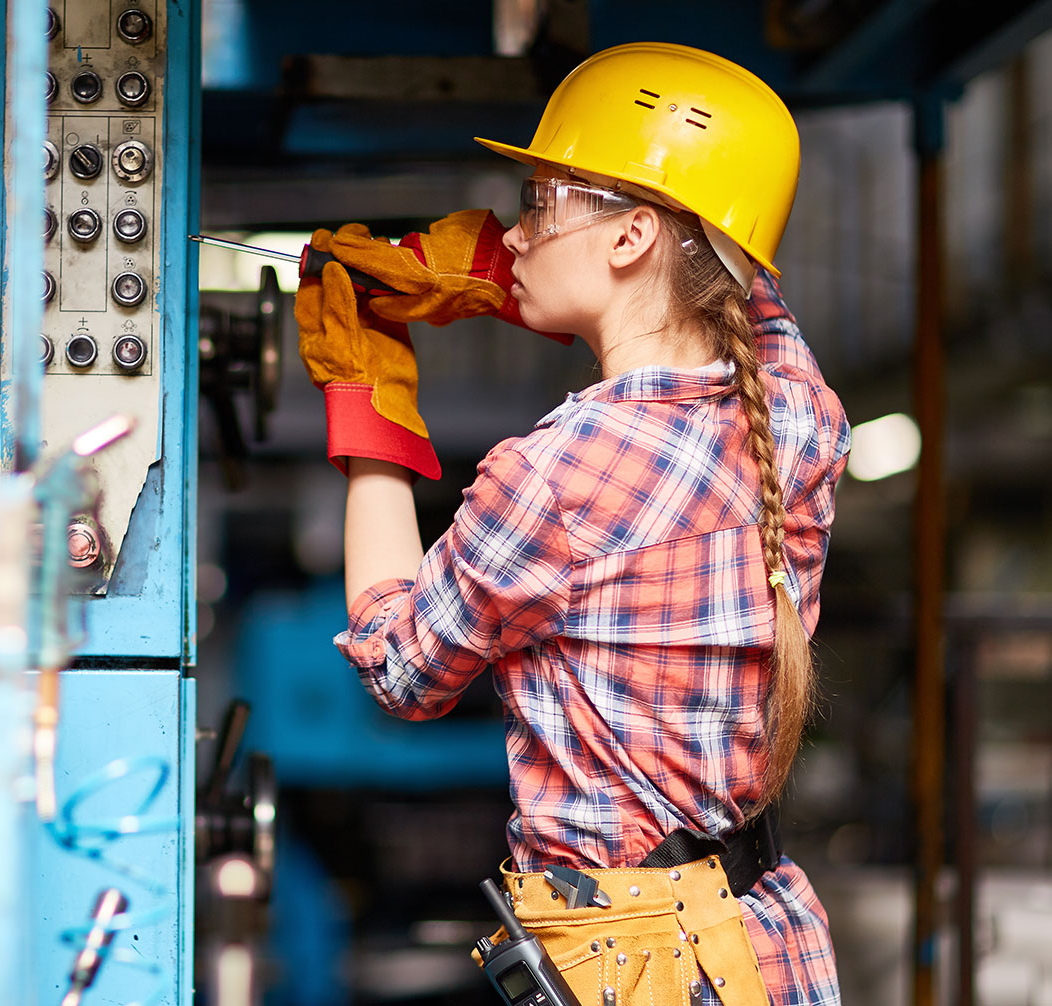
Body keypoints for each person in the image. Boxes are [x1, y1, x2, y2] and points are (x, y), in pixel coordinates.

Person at [293, 43, 849, 1006]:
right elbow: (737, 293)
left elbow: (399, 666)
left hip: (632, 968)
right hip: (763, 943)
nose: (509, 234)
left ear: (632, 236)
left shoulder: (556, 474)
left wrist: (367, 393)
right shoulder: (800, 414)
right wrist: (513, 271)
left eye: (537, 204)